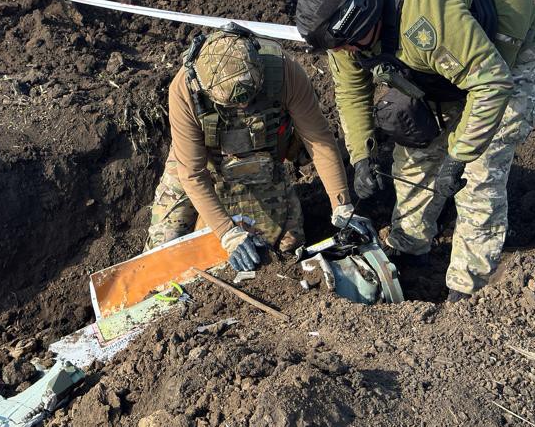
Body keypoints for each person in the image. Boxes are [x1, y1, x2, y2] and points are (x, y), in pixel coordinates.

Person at [293, 0, 535, 302]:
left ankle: (467, 288)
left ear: (366, 18)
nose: (345, 52)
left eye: (349, 44)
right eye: (339, 47)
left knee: (480, 173)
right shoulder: (342, 34)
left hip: (504, 57)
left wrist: (459, 156)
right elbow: (351, 92)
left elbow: (491, 84)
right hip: (438, 68)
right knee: (414, 153)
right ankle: (408, 251)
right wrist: (361, 157)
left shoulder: (423, 17)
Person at [146, 24, 373, 272]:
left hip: (261, 155)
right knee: (162, 251)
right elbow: (192, 173)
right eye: (233, 105)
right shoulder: (184, 90)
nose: (243, 109)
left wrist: (342, 206)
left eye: (249, 100)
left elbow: (318, 139)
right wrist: (228, 233)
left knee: (283, 248)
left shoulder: (284, 71)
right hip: (202, 161)